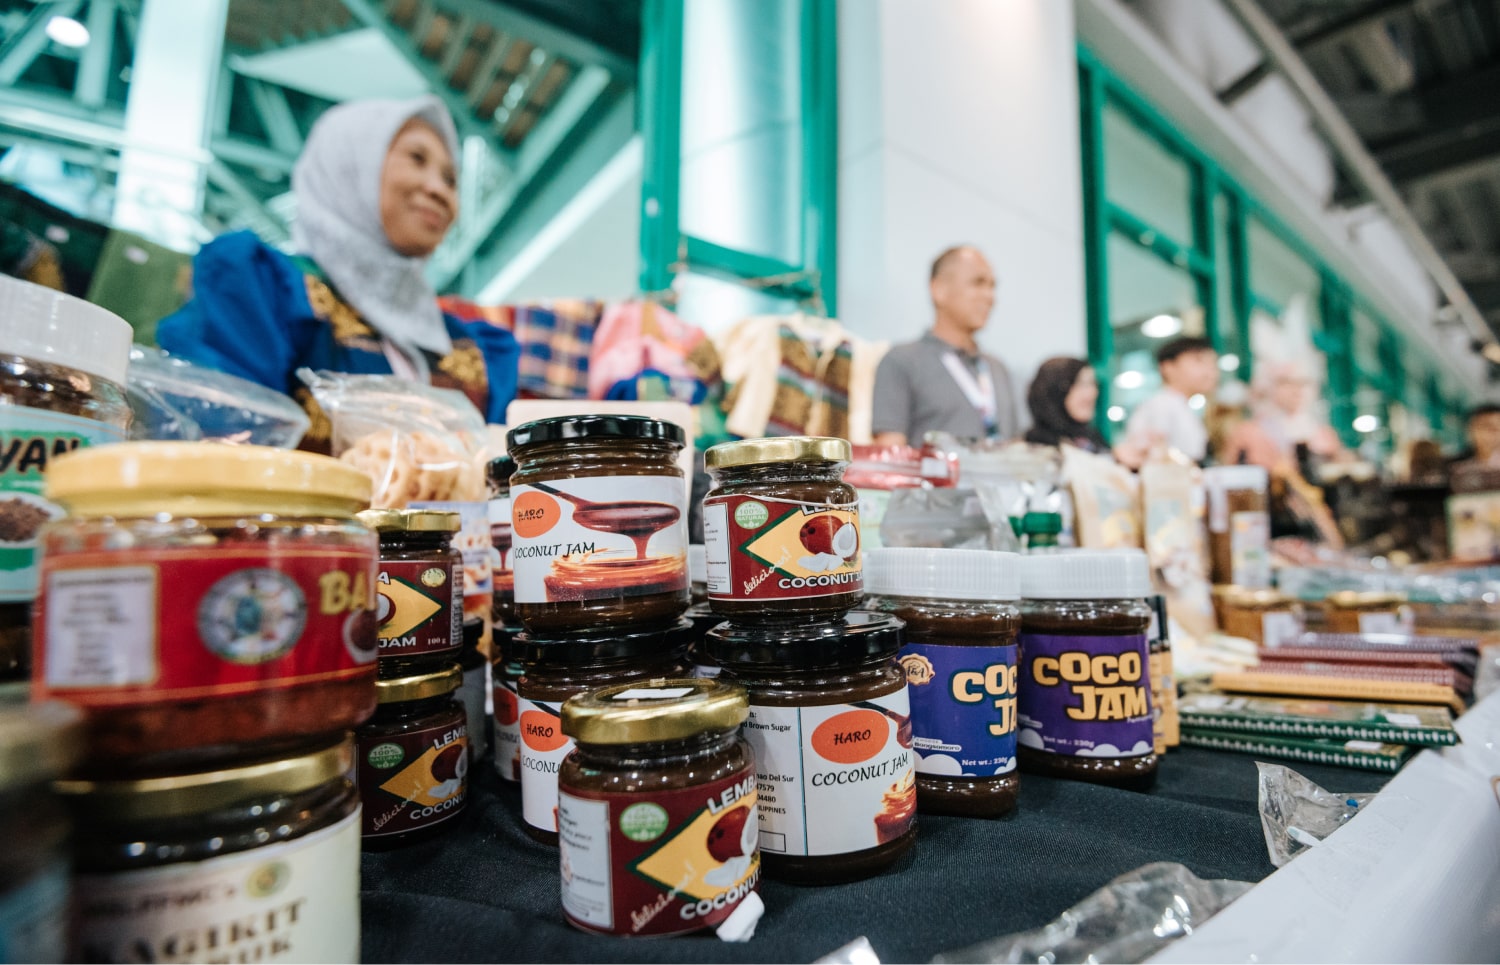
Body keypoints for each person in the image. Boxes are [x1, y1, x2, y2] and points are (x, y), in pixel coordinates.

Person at [157, 95, 518, 446]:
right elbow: (224, 442)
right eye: (416, 158)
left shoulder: (475, 349)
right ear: (349, 163)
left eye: (451, 179)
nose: (440, 190)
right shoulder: (266, 287)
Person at [871, 245, 1020, 446]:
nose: (989, 296)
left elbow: (1013, 447)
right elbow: (890, 451)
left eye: (992, 286)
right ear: (939, 290)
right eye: (978, 283)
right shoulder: (902, 361)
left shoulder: (997, 368)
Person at [1220, 358, 1345, 474]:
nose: (1296, 390)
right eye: (1286, 383)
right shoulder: (1248, 433)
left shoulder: (1324, 434)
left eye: (1303, 383)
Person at [1122, 336, 1218, 464]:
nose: (1210, 371)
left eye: (1213, 363)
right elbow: (1155, 461)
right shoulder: (1161, 406)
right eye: (1199, 361)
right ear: (1168, 367)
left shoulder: (1180, 405)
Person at [1023, 357, 1109, 453]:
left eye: (1093, 384)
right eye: (1082, 384)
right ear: (1055, 391)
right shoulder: (1033, 451)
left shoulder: (1094, 441)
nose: (1093, 392)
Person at [1451, 403, 1500, 469]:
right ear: (1470, 431)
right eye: (1487, 426)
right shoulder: (1455, 467)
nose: (1496, 431)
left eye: (1498, 425)